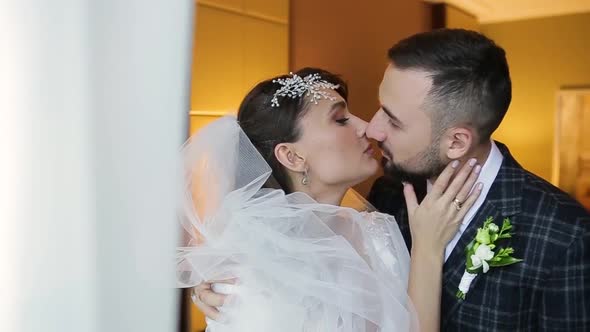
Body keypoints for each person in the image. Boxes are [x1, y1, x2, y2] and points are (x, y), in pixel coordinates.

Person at [180, 67, 482, 331]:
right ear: (292, 155)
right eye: (340, 120)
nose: (366, 127)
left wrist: (428, 247)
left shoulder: (376, 228)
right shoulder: (249, 267)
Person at [365, 29, 590, 331]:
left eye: (393, 120)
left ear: (457, 142)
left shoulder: (566, 234)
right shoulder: (388, 194)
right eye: (381, 108)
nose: (373, 130)